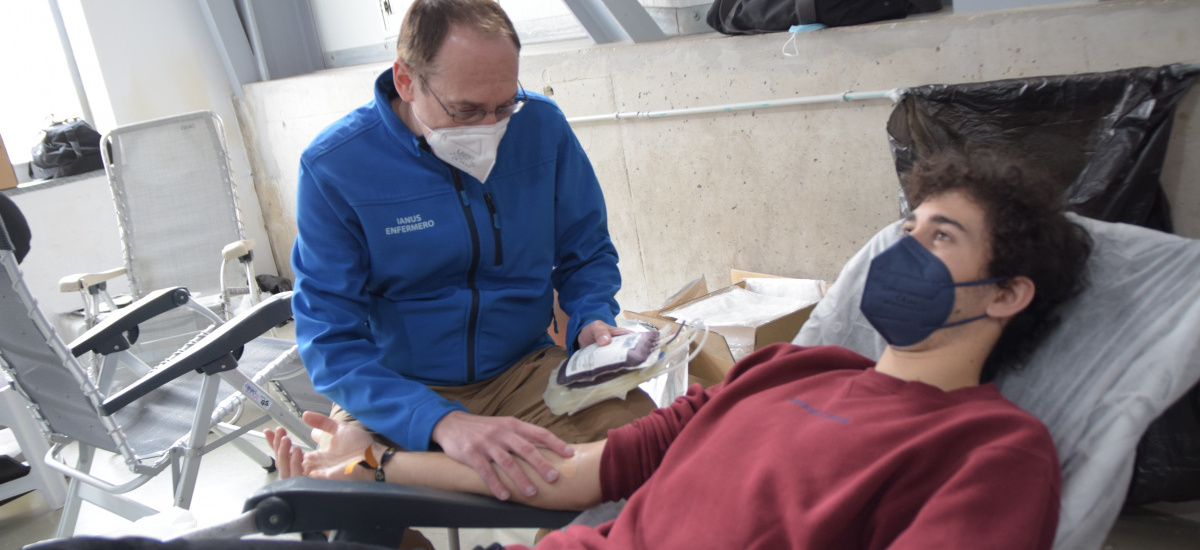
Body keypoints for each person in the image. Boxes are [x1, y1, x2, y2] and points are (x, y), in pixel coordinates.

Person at [271, 149, 1092, 549]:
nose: (898, 253)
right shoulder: (791, 366)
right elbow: (569, 473)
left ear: (1008, 292)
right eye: (904, 229)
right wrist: (367, 466)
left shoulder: (992, 448)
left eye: (939, 237)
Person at [290, 0, 655, 507]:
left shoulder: (542, 128)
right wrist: (439, 420)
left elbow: (585, 248)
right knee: (342, 508)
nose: (490, 126)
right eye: (465, 110)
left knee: (643, 449)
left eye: (504, 104)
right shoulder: (336, 169)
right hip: (396, 387)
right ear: (406, 81)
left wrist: (591, 317)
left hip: (522, 371)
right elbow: (330, 339)